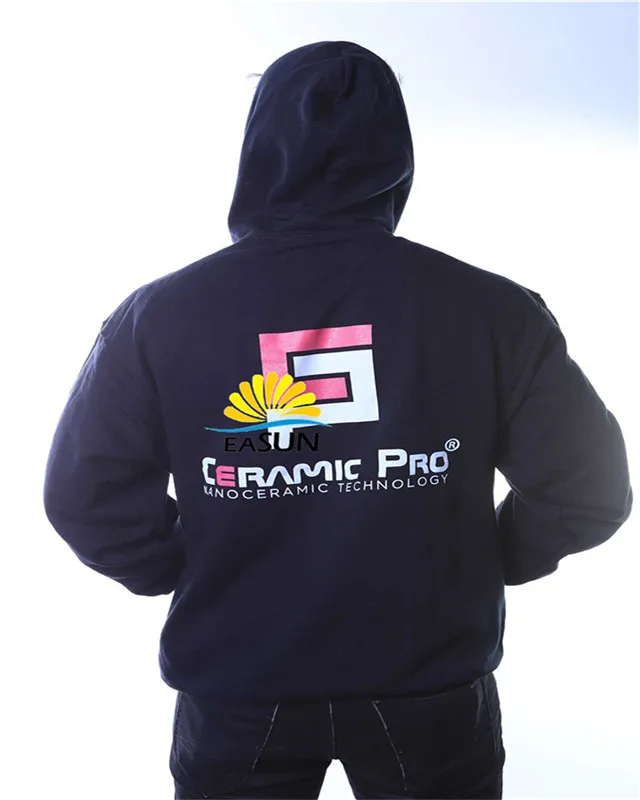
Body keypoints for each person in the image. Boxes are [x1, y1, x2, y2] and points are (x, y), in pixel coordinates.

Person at [43, 41, 632, 800]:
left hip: (239, 682)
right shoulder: (492, 310)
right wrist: (486, 558)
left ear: (260, 145)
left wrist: (190, 569)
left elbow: (85, 496)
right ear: (395, 152)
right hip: (431, 686)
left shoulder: (160, 316)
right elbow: (588, 490)